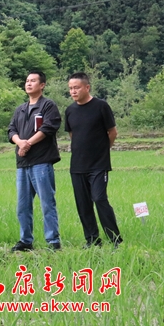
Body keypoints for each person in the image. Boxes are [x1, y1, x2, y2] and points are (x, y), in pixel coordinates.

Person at [65, 72, 123, 247]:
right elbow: (72, 134)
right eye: (70, 88)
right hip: (77, 165)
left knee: (99, 198)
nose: (73, 91)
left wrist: (103, 150)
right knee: (83, 204)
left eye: (76, 88)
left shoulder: (101, 106)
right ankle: (92, 240)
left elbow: (112, 132)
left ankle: (115, 239)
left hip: (98, 164)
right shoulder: (70, 110)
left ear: (87, 87)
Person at [8, 71, 62, 252]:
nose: (29, 83)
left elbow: (48, 128)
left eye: (33, 81)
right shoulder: (20, 109)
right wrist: (20, 142)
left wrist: (28, 143)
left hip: (42, 161)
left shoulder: (48, 106)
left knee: (47, 203)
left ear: (42, 85)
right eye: (27, 81)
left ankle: (53, 241)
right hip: (23, 163)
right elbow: (11, 130)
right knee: (22, 205)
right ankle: (25, 240)